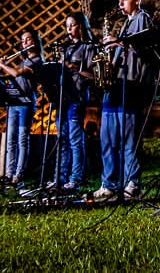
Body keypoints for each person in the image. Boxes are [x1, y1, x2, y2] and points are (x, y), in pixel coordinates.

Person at [93, 0, 156, 200]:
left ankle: (132, 182)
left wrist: (117, 42)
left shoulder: (143, 18)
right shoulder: (126, 23)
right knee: (108, 138)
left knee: (129, 140)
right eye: (119, 0)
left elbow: (145, 48)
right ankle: (109, 182)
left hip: (131, 86)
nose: (120, 4)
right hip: (116, 84)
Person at [52, 11, 95, 191]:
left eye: (72, 25)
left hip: (77, 95)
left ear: (81, 26)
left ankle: (76, 178)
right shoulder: (66, 48)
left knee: (75, 139)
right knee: (61, 139)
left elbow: (92, 74)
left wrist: (72, 66)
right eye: (67, 26)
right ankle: (59, 178)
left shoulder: (88, 47)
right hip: (63, 97)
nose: (69, 29)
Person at [0, 28, 44, 186]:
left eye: (28, 39)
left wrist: (3, 64)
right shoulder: (23, 60)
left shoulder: (37, 61)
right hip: (14, 102)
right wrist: (0, 69)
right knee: (11, 139)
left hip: (26, 103)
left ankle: (19, 175)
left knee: (22, 139)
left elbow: (17, 73)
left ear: (35, 41)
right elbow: (11, 76)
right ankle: (8, 174)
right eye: (23, 41)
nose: (25, 43)